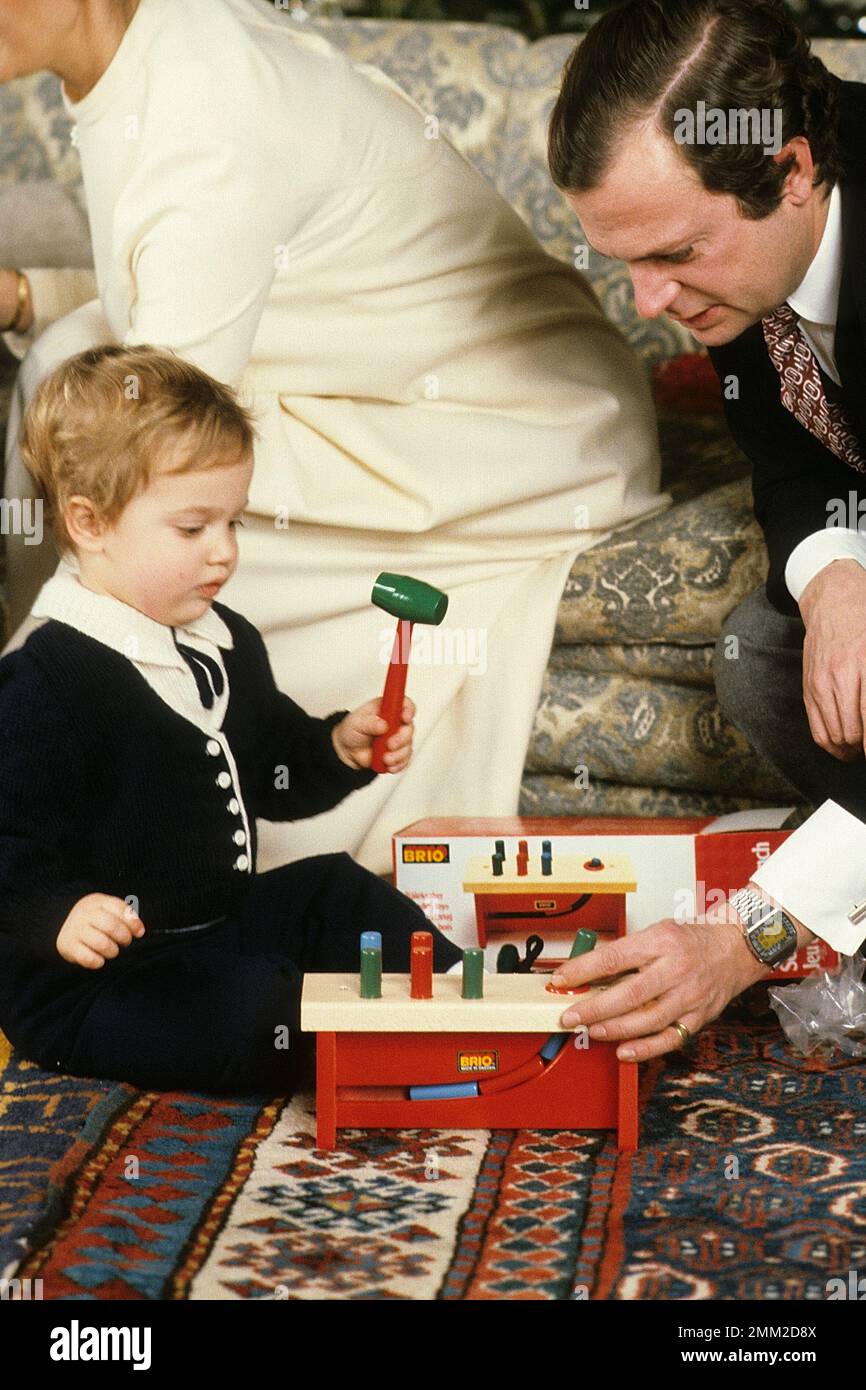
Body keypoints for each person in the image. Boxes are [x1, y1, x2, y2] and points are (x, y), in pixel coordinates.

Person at [0, 0, 667, 878]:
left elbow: (151, 445)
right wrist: (24, 297)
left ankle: (64, 791)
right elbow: (198, 266)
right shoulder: (167, 38)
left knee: (171, 534)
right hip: (397, 385)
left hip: (516, 431)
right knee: (60, 359)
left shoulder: (210, 112)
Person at [0, 343, 463, 1094]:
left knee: (336, 890)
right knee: (255, 1008)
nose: (223, 553)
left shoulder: (226, 639)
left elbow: (273, 771)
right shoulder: (44, 680)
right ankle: (359, 1046)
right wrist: (57, 910)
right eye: (192, 529)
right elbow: (8, 838)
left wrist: (337, 747)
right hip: (97, 986)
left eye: (234, 522)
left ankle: (470, 1003)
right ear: (89, 523)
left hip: (215, 928)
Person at [541, 0, 866, 1056]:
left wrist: (740, 941)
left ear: (791, 171)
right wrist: (834, 577)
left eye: (675, 252)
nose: (646, 301)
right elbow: (788, 454)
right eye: (622, 261)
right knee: (763, 652)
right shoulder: (746, 264)